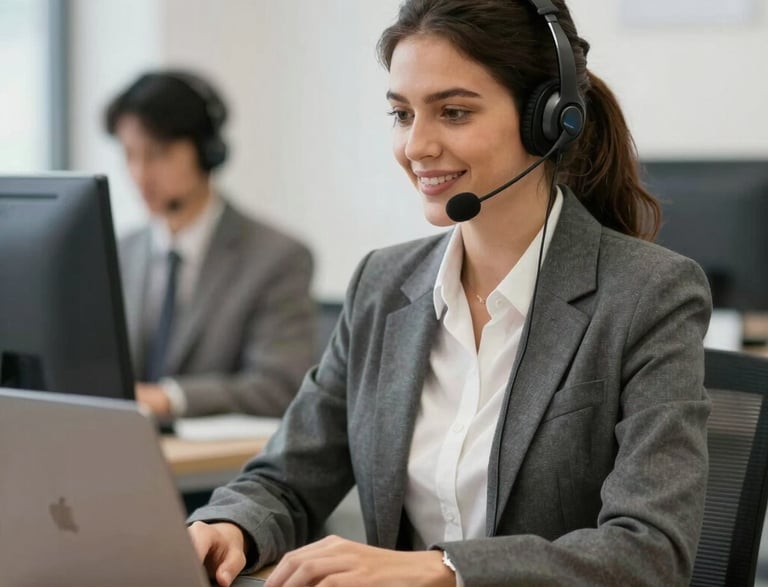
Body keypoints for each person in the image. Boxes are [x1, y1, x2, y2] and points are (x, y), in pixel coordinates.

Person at [187, 1, 712, 585]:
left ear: (548, 118)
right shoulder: (382, 287)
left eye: (454, 112)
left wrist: (446, 570)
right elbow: (287, 476)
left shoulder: (649, 294)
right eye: (402, 114)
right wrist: (229, 526)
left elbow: (649, 551)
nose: (417, 146)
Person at [105, 70, 317, 418]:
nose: (140, 175)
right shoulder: (119, 252)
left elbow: (280, 385)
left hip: (218, 468)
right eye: (129, 155)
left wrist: (168, 399)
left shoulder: (278, 257)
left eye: (158, 153)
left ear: (207, 151)